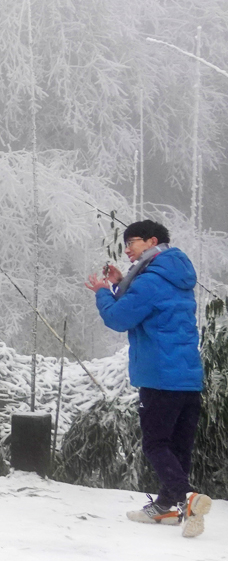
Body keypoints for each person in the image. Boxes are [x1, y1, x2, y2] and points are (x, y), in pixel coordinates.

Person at [86, 220, 212, 537]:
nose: (127, 249)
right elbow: (145, 305)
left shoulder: (151, 282)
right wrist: (119, 285)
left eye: (133, 242)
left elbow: (119, 317)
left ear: (152, 241)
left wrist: (103, 293)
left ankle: (188, 498)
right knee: (178, 448)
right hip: (189, 378)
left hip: (159, 378)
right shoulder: (177, 278)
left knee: (156, 444)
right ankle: (168, 509)